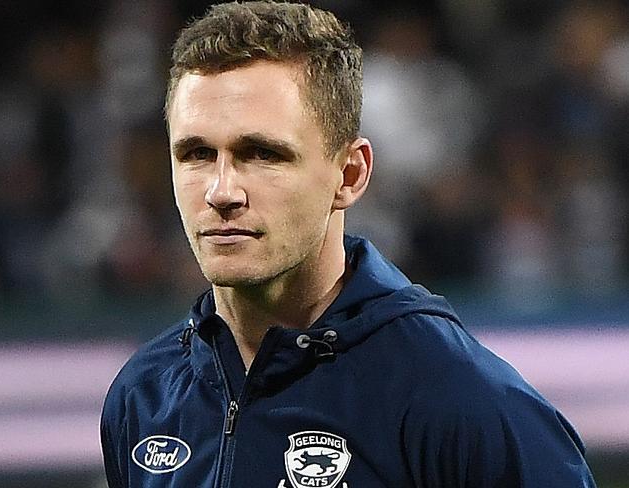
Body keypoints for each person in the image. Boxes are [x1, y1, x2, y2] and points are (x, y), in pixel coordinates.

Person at [100, 2, 597, 487]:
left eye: (263, 154)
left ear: (350, 173)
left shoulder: (456, 399)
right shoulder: (143, 394)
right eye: (196, 154)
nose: (222, 191)